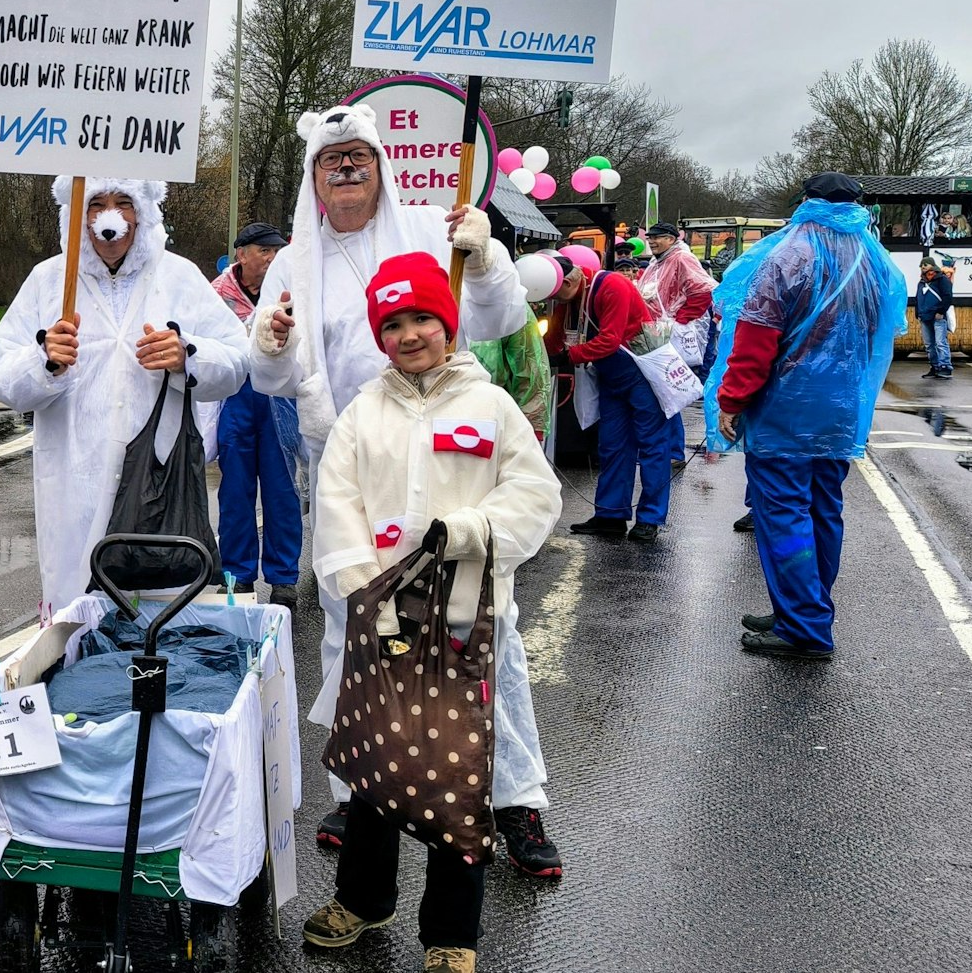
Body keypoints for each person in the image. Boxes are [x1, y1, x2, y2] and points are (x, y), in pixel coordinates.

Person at [247, 104, 560, 877]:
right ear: (313, 178)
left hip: (450, 448)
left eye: (358, 155)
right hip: (353, 455)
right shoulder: (294, 260)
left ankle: (512, 799)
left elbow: (497, 315)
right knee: (354, 626)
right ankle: (361, 792)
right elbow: (273, 378)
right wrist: (270, 346)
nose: (346, 168)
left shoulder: (429, 223)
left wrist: (482, 259)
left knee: (483, 633)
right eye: (331, 160)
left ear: (381, 164)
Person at [300, 252, 562, 971]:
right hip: (380, 622)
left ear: (448, 326)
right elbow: (338, 504)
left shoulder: (491, 406)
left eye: (422, 319)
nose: (409, 334)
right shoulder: (363, 413)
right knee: (374, 767)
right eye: (393, 323)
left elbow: (537, 495)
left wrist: (479, 531)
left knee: (456, 775)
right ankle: (362, 898)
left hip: (465, 621)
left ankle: (451, 934)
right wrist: (369, 594)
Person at [0, 177, 249, 618]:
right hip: (73, 484)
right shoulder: (50, 280)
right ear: (77, 214)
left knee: (158, 626)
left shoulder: (177, 276)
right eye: (96, 204)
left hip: (158, 488)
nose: (110, 216)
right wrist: (43, 361)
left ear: (143, 210)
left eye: (124, 202)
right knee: (77, 627)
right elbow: (1, 377)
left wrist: (187, 355)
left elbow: (238, 361)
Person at [708, 173, 906, 660]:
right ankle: (803, 608)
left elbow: (755, 336)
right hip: (841, 409)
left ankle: (803, 626)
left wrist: (732, 399)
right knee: (823, 509)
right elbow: (883, 331)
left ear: (805, 202)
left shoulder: (787, 255)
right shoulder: (874, 260)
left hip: (786, 409)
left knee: (783, 513)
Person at [545, 256, 670, 543]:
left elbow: (610, 339)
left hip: (643, 371)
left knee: (652, 445)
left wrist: (568, 356)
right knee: (612, 445)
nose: (556, 303)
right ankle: (610, 514)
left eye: (556, 296)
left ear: (569, 281)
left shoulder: (612, 285)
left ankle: (650, 517)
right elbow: (553, 339)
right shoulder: (570, 296)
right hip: (611, 374)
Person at [210, 222, 302, 605]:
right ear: (241, 253)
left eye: (276, 251)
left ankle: (284, 579)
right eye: (264, 250)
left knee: (283, 490)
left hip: (280, 397)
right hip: (236, 397)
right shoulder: (214, 295)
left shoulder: (290, 292)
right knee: (235, 491)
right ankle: (236, 577)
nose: (271, 258)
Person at [639, 220, 716, 463]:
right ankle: (668, 450)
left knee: (668, 393)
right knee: (663, 394)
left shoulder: (682, 258)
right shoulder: (657, 261)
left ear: (672, 239)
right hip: (659, 332)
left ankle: (672, 451)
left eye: (657, 237)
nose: (651, 241)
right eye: (650, 237)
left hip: (672, 333)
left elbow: (703, 291)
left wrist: (680, 321)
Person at [916, 258, 956, 379]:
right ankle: (935, 366)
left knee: (940, 342)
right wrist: (918, 312)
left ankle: (945, 367)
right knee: (929, 344)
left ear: (933, 266)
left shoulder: (942, 280)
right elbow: (919, 297)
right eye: (921, 265)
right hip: (925, 316)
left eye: (926, 265)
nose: (923, 267)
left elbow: (948, 296)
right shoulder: (922, 282)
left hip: (937, 316)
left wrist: (940, 311)